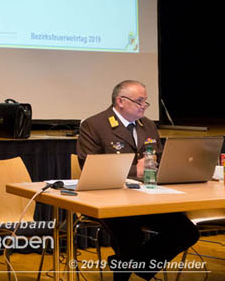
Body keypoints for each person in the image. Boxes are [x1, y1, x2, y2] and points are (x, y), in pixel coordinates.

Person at [77, 80, 199, 281]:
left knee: (186, 231)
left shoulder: (148, 125)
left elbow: (157, 160)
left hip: (147, 199)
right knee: (131, 235)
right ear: (121, 101)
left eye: (146, 101)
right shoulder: (94, 125)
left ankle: (136, 265)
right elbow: (90, 167)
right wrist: (135, 170)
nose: (144, 106)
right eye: (139, 101)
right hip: (108, 200)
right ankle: (127, 269)